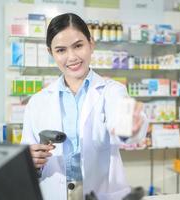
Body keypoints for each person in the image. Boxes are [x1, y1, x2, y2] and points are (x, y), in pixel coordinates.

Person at [21, 13, 148, 200]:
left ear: (91, 43)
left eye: (78, 46)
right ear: (51, 53)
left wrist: (129, 128)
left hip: (99, 193)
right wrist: (31, 161)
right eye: (61, 50)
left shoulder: (112, 91)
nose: (71, 57)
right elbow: (27, 156)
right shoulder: (37, 102)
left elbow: (124, 125)